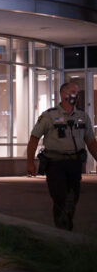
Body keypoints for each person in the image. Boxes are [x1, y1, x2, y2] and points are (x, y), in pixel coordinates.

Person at [26, 82, 97, 231]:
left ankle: (65, 225)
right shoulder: (49, 115)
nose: (75, 95)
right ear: (63, 94)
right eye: (72, 92)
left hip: (75, 163)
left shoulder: (82, 116)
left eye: (76, 93)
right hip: (55, 164)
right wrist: (30, 162)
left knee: (73, 198)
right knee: (60, 197)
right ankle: (63, 229)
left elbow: (91, 142)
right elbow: (34, 138)